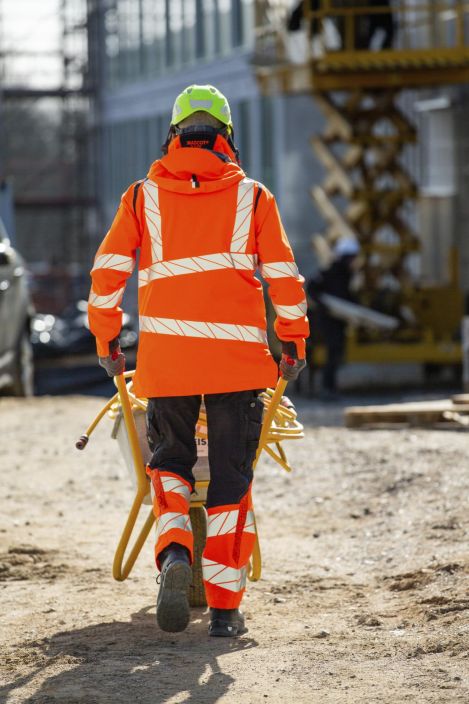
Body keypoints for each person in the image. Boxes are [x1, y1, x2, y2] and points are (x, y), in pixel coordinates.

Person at [88, 85, 309, 637]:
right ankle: (226, 613)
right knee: (231, 482)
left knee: (169, 466)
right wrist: (294, 343)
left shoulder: (142, 197)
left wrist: (107, 343)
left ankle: (174, 556)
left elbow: (106, 276)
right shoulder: (254, 198)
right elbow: (284, 279)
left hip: (168, 365)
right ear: (226, 139)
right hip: (238, 368)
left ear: (174, 135)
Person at [307, 237, 359, 399]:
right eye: (351, 258)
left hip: (339, 320)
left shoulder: (346, 275)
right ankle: (327, 388)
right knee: (332, 352)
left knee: (336, 354)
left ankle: (331, 387)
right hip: (328, 321)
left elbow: (347, 296)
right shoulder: (331, 272)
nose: (353, 262)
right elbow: (312, 288)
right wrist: (324, 306)